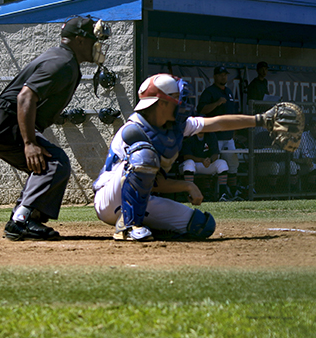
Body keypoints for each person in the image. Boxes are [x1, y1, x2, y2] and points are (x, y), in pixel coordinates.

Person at [93, 73, 285, 241]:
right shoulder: (133, 131)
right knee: (145, 155)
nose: (182, 104)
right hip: (110, 199)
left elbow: (217, 123)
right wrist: (187, 185)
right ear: (160, 103)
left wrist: (260, 120)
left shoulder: (175, 126)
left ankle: (145, 226)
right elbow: (143, 174)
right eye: (176, 98)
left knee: (201, 225)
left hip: (142, 199)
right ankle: (127, 227)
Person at [0, 15, 111, 240]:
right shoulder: (63, 62)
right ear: (78, 40)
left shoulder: (64, 59)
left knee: (46, 164)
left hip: (1, 121)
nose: (98, 45)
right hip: (3, 123)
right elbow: (25, 97)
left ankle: (26, 216)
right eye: (92, 39)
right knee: (54, 162)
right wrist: (29, 143)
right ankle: (22, 220)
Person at [197, 66, 241, 193]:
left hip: (228, 136)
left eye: (225, 74)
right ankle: (209, 192)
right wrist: (216, 103)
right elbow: (201, 110)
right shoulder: (209, 92)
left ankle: (232, 191)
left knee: (232, 164)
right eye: (221, 74)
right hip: (214, 136)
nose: (224, 77)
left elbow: (233, 114)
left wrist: (234, 132)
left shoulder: (229, 92)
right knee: (211, 164)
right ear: (215, 76)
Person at [179, 131, 230, 200]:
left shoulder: (211, 135)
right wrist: (201, 160)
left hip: (206, 164)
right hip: (191, 165)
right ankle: (190, 194)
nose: (200, 129)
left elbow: (215, 154)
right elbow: (186, 156)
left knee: (222, 163)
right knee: (189, 163)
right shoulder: (188, 135)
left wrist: (210, 160)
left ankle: (222, 194)